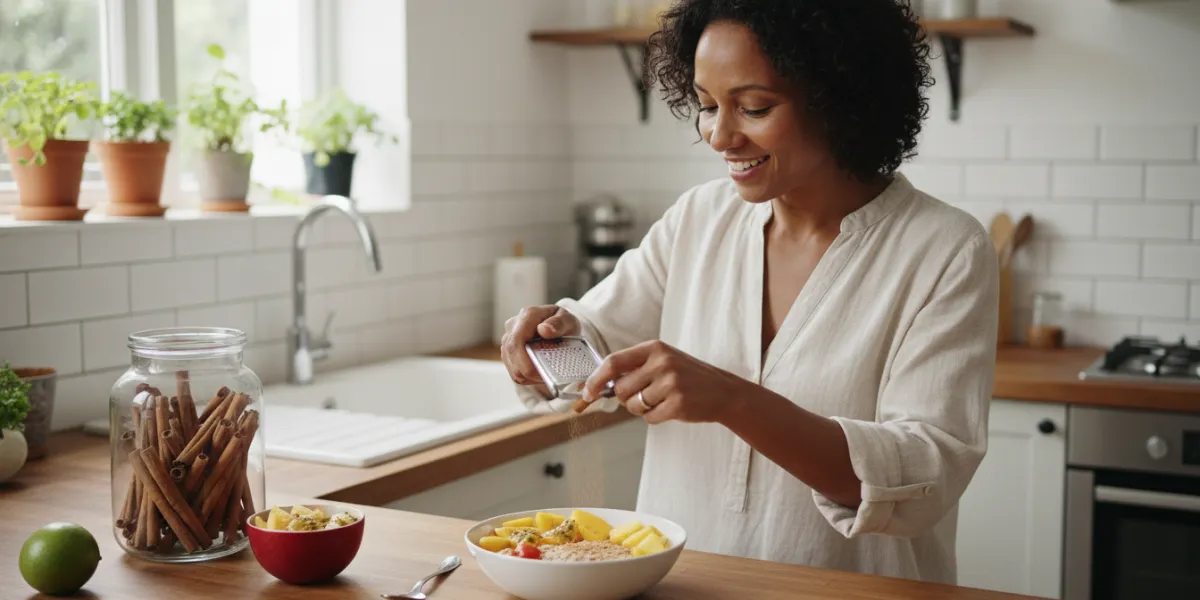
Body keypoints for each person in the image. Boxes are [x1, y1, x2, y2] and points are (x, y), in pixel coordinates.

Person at [500, 0, 997, 585]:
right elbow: (598, 338)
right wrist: (546, 342)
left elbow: (923, 473)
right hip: (685, 586)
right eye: (707, 106)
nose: (720, 136)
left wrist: (732, 400)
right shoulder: (699, 218)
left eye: (754, 107)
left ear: (841, 96)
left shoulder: (946, 249)